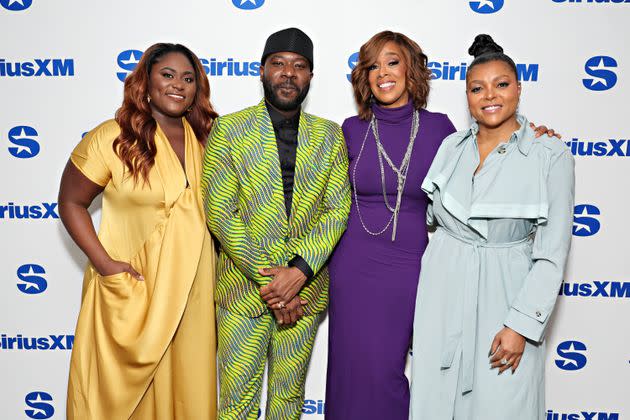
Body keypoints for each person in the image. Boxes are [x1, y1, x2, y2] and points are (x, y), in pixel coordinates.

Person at [325, 31, 558, 420]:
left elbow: (492, 153)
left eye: (393, 62)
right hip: (353, 268)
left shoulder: (441, 132)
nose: (383, 72)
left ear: (411, 69)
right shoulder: (349, 130)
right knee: (350, 371)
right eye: (373, 66)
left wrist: (533, 137)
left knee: (386, 373)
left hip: (413, 270)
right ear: (364, 77)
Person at [409, 34, 574, 420]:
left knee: (503, 403)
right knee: (434, 400)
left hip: (506, 294)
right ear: (467, 96)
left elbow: (551, 254)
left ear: (519, 88)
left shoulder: (550, 155)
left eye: (501, 85)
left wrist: (521, 326)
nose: (490, 96)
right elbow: (433, 218)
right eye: (477, 88)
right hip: (442, 293)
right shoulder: (451, 146)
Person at [59, 43, 219, 419]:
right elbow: (70, 202)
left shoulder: (208, 140)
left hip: (193, 298)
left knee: (189, 397)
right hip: (135, 290)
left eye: (188, 78)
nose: (178, 84)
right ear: (145, 82)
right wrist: (104, 263)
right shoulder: (112, 137)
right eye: (167, 74)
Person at [201, 28, 351, 419]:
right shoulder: (229, 130)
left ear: (310, 77)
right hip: (244, 293)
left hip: (305, 292)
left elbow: (336, 210)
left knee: (288, 402)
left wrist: (298, 273)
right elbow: (221, 212)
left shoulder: (330, 135)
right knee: (236, 403)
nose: (289, 73)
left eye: (299, 66)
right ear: (262, 71)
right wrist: (275, 283)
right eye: (279, 64)